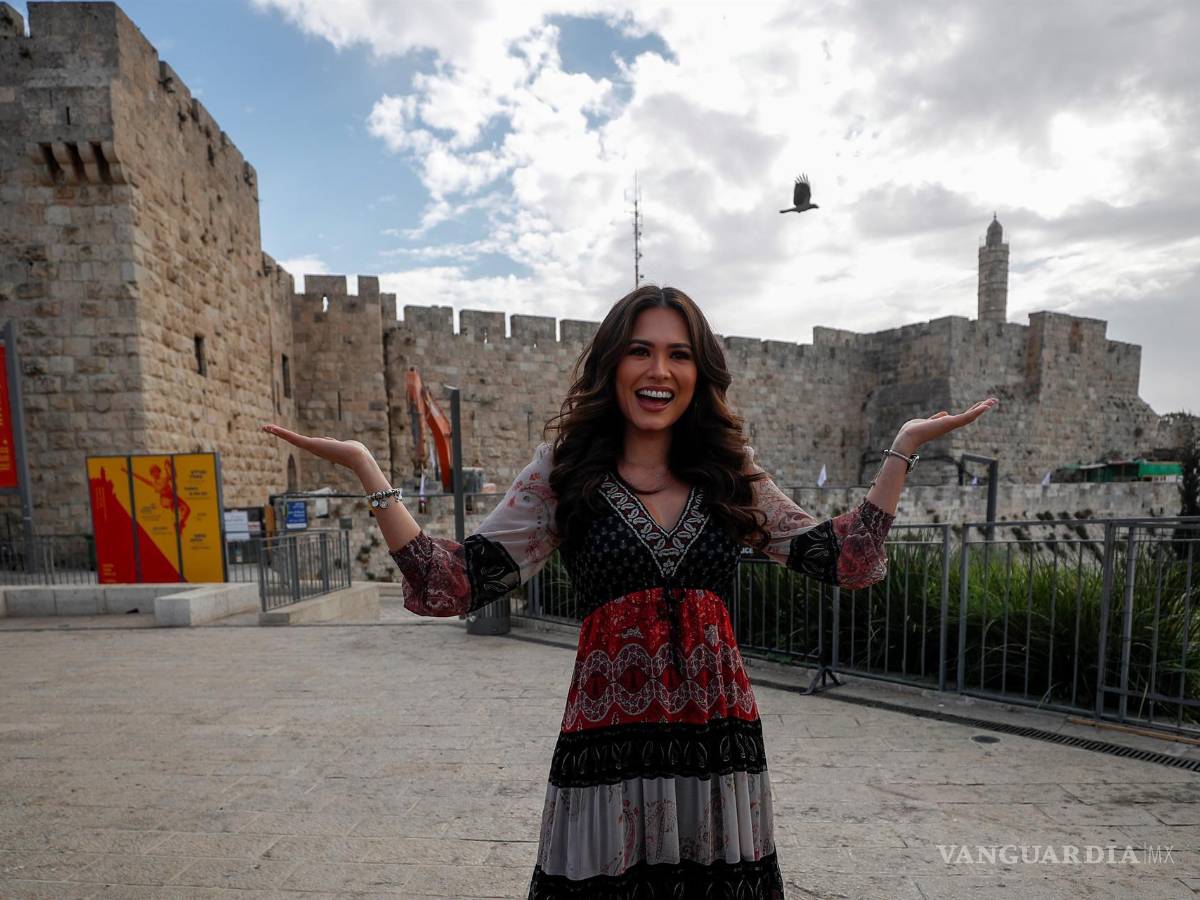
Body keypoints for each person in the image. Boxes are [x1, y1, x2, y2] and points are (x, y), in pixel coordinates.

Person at [263, 285, 996, 898]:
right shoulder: (565, 471)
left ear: (698, 372)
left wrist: (901, 448)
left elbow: (843, 559)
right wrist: (368, 470)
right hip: (608, 754)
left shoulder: (729, 472)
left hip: (717, 749)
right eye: (641, 349)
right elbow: (449, 581)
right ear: (613, 364)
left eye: (679, 353)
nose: (659, 369)